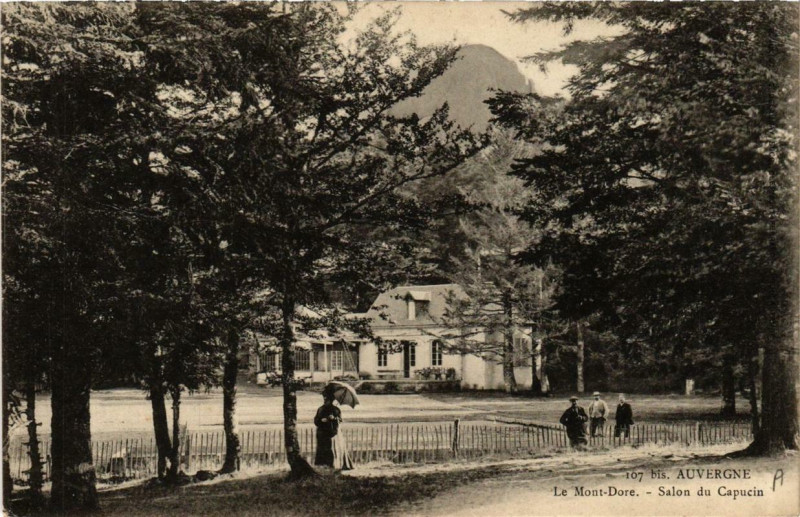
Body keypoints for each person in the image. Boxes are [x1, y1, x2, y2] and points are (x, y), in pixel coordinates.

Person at [314, 390, 353, 471]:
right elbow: (316, 420)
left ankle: (335, 464)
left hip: (333, 433)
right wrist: (321, 420)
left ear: (331, 400)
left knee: (333, 449)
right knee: (323, 449)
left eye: (327, 400)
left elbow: (340, 420)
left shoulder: (336, 410)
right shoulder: (320, 409)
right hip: (323, 433)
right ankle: (323, 465)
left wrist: (334, 418)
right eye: (324, 399)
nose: (325, 401)